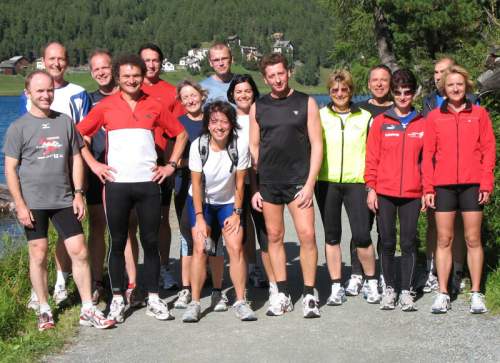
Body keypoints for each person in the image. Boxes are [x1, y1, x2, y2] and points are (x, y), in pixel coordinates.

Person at [77, 54, 188, 323]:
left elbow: (180, 134)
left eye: (136, 75)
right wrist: (93, 165)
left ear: (142, 76)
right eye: (126, 76)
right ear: (118, 77)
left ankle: (152, 297)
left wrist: (171, 165)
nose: (131, 80)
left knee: (150, 243)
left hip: (149, 184)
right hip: (116, 185)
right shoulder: (105, 106)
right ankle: (117, 299)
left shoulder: (155, 105)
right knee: (116, 242)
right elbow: (80, 134)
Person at [4, 70, 114, 331]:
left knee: (80, 250)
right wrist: (19, 204)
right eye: (39, 91)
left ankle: (88, 308)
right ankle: (44, 308)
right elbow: (10, 169)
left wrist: (78, 193)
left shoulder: (64, 122)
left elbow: (77, 157)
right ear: (27, 93)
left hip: (64, 199)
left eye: (49, 90)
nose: (45, 95)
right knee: (39, 253)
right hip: (33, 203)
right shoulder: (18, 127)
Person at [250, 53, 322, 318]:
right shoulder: (259, 106)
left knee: (307, 235)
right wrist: (257, 183)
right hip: (270, 182)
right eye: (271, 76)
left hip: (298, 182)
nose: (277, 79)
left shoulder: (307, 102)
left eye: (281, 73)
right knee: (274, 237)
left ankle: (310, 294)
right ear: (265, 78)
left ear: (288, 72)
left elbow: (317, 144)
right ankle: (281, 294)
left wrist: (310, 182)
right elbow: (253, 146)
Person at [21, 42, 91, 309]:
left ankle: (62, 281)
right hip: (39, 178)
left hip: (68, 175)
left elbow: (83, 136)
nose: (57, 63)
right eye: (52, 58)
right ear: (44, 60)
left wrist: (79, 186)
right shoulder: (31, 91)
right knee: (37, 245)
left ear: (67, 62)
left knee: (68, 236)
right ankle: (37, 292)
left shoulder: (78, 92)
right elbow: (26, 132)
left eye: (61, 59)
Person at [423, 65, 496, 314]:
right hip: (443, 185)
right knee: (444, 239)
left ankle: (476, 293)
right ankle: (443, 292)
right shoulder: (434, 117)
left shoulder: (479, 114)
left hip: (472, 184)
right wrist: (428, 186)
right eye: (451, 85)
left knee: (473, 239)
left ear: (466, 87)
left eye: (460, 84)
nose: (455, 88)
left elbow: (489, 150)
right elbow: (428, 154)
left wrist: (486, 182)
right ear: (443, 88)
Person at [182, 101, 256, 322]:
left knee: (235, 246)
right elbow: (195, 185)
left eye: (224, 121)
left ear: (232, 124)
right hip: (201, 201)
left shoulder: (239, 146)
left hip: (228, 202)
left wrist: (236, 213)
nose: (219, 126)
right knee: (200, 247)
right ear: (207, 124)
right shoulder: (198, 145)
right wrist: (199, 218)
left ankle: (241, 301)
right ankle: (195, 303)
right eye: (214, 122)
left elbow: (240, 183)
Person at [315, 70, 380, 306]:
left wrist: (372, 184)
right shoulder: (320, 116)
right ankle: (335, 286)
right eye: (334, 90)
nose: (340, 94)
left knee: (362, 235)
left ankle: (371, 281)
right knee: (332, 236)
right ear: (329, 92)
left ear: (351, 91)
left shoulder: (365, 117)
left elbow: (373, 154)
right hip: (327, 182)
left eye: (344, 90)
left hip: (357, 183)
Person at [365, 69, 426, 311]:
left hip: (412, 192)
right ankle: (389, 288)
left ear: (414, 94)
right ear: (393, 93)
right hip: (385, 191)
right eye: (398, 92)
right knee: (388, 242)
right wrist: (371, 188)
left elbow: (428, 159)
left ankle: (406, 290)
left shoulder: (423, 122)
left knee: (409, 242)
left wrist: (427, 190)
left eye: (407, 92)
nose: (402, 97)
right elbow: (372, 158)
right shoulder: (381, 122)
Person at [86, 49, 140, 306]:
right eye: (96, 69)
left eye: (105, 67)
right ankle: (98, 281)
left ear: (115, 70)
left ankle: (133, 283)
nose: (101, 73)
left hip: (128, 171)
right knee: (98, 226)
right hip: (100, 171)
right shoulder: (88, 99)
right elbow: (80, 135)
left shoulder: (129, 96)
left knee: (129, 229)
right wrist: (93, 164)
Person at [422, 57, 473, 295]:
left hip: (464, 176)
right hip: (437, 174)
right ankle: (433, 269)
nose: (438, 76)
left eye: (443, 71)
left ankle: (459, 271)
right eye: (435, 72)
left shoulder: (471, 102)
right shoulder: (429, 103)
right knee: (435, 226)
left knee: (462, 227)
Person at [139, 43, 186, 290]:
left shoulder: (170, 92)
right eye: (146, 60)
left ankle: (165, 267)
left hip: (161, 165)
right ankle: (139, 273)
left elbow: (180, 132)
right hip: (134, 165)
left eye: (155, 60)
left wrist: (172, 163)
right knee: (135, 221)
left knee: (160, 220)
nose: (151, 64)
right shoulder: (129, 89)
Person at [347, 64, 394, 295]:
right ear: (368, 84)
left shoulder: (400, 109)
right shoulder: (358, 110)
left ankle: (384, 272)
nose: (379, 84)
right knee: (360, 229)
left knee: (385, 231)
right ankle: (357, 273)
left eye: (384, 80)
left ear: (390, 83)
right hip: (360, 178)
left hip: (389, 179)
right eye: (374, 80)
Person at [227, 74, 275, 293]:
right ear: (232, 95)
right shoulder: (227, 119)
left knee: (265, 229)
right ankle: (251, 269)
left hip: (262, 180)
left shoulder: (262, 115)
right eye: (239, 92)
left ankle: (273, 278)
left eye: (247, 91)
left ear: (254, 93)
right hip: (235, 183)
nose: (243, 95)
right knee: (242, 228)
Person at [171, 80, 210, 309]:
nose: (190, 100)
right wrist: (192, 163)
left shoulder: (212, 120)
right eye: (185, 97)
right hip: (184, 184)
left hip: (212, 186)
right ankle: (186, 287)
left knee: (211, 233)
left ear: (202, 95)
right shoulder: (179, 124)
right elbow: (173, 159)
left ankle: (212, 281)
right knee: (187, 235)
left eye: (193, 95)